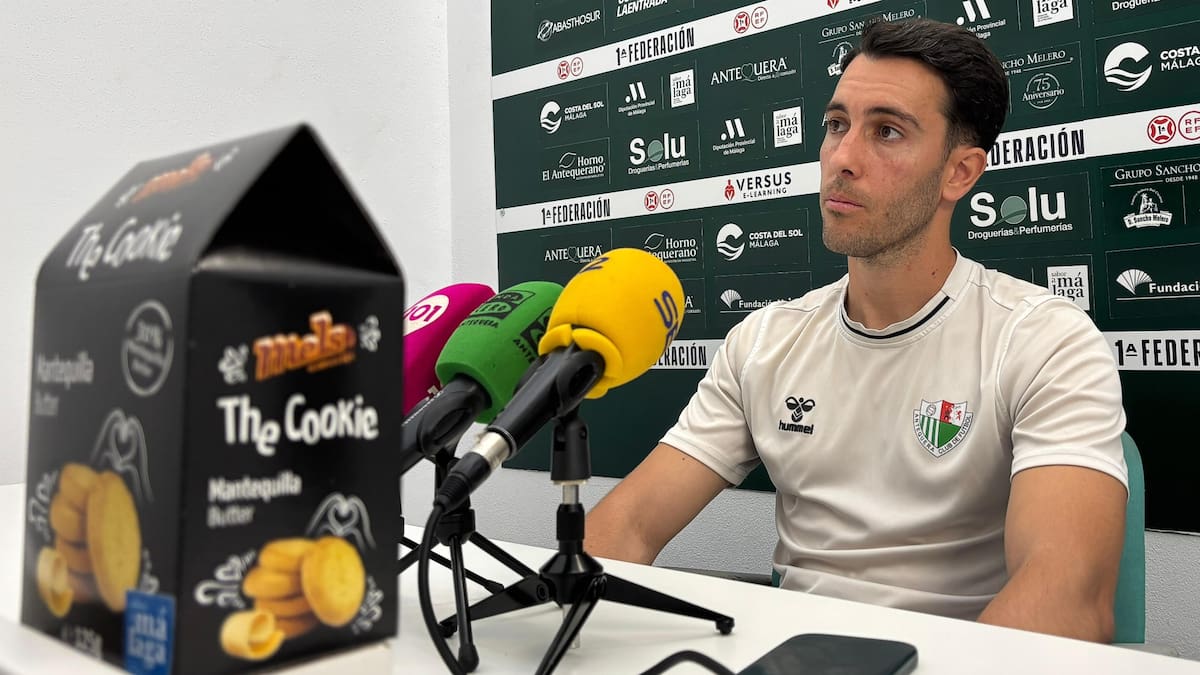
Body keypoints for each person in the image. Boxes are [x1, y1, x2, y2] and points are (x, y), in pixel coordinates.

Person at [585, 17, 1128, 643]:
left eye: (887, 132)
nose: (842, 159)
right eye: (837, 125)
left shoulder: (1045, 341)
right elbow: (624, 529)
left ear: (961, 173)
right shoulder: (764, 342)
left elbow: (1067, 596)